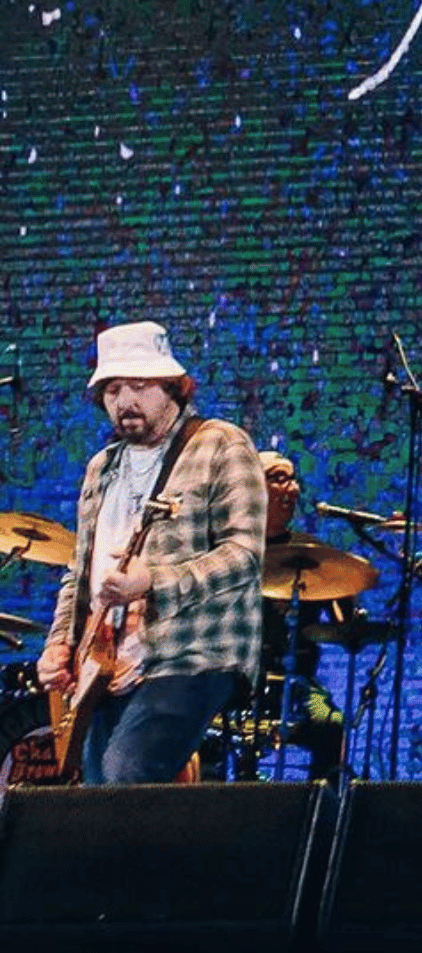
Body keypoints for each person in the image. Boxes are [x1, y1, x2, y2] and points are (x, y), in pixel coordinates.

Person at [37, 321, 267, 785]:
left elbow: (244, 554)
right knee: (100, 788)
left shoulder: (220, 444)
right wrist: (58, 643)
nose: (124, 402)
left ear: (174, 388)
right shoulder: (102, 468)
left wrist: (153, 582)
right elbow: (79, 573)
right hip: (105, 661)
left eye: (139, 386)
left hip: (193, 654)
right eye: (112, 390)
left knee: (128, 771)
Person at [245, 450, 348, 781]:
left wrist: (347, 585)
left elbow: (347, 630)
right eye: (279, 478)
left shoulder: (312, 557)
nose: (293, 489)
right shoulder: (232, 552)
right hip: (237, 683)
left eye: (293, 480)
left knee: (331, 722)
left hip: (300, 687)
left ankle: (320, 810)